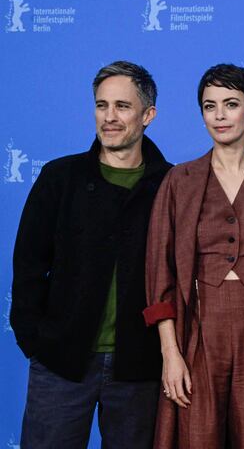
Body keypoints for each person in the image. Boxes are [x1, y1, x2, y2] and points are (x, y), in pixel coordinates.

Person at [11, 61, 172, 448]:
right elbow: (29, 264)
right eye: (102, 105)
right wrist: (36, 340)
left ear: (148, 115)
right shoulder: (59, 178)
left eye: (122, 106)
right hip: (61, 363)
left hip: (140, 368)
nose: (110, 117)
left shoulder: (171, 184)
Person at [143, 64, 244, 448]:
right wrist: (170, 353)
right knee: (197, 436)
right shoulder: (178, 181)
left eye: (231, 104)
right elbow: (160, 274)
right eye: (210, 106)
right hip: (198, 334)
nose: (220, 116)